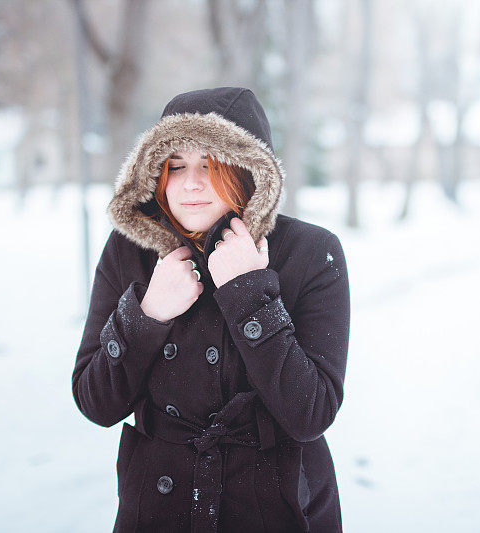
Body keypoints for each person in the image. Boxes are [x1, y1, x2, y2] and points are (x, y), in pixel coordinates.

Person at [71, 87, 350, 532]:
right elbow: (95, 402)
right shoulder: (130, 253)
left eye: (210, 165)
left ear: (248, 171)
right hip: (159, 509)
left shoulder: (312, 253)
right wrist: (147, 315)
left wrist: (248, 292)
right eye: (175, 166)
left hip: (275, 506)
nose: (191, 184)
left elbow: (311, 413)